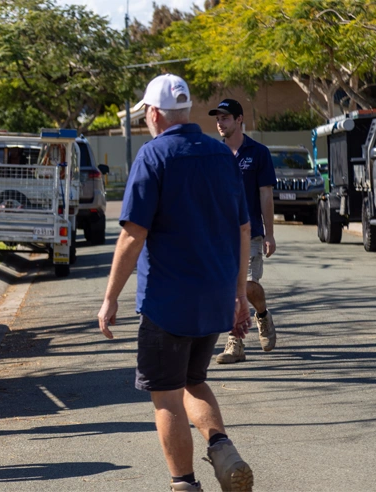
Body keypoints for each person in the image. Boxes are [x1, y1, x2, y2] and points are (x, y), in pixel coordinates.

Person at [97, 74, 254, 492]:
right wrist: (239, 295)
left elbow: (133, 235)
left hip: (168, 303)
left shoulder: (153, 156)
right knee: (193, 380)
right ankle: (223, 451)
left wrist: (110, 297)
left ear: (152, 113)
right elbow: (243, 229)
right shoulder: (223, 155)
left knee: (166, 396)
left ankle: (184, 484)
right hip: (215, 297)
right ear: (184, 111)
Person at [210, 99, 278, 364]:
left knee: (248, 286)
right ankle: (235, 343)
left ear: (239, 119)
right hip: (220, 236)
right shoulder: (214, 154)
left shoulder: (258, 152)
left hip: (250, 232)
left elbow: (266, 195)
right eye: (217, 118)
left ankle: (261, 313)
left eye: (225, 117)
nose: (220, 122)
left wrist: (270, 234)